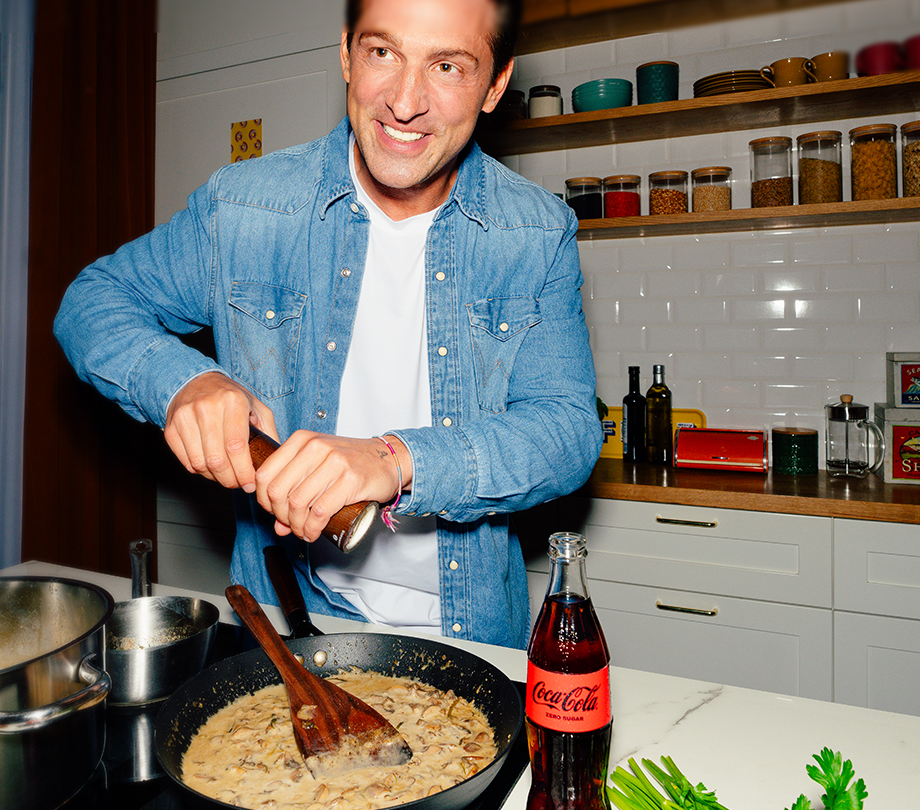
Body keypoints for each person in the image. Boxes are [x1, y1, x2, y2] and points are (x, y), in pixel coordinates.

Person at [54, 0, 598, 648]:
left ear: (495, 86)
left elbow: (567, 431)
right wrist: (182, 383)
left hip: (472, 637)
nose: (403, 101)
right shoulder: (245, 206)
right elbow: (93, 300)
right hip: (284, 629)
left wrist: (395, 461)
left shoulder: (536, 233)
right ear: (346, 53)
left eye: (447, 65)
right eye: (382, 53)